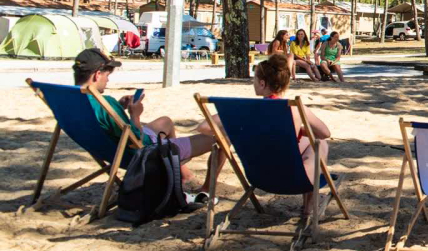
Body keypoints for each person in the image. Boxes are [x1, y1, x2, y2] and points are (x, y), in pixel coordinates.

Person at [199, 54, 332, 216]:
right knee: (319, 143)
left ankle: (307, 206)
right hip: (296, 180)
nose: (253, 82)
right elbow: (325, 133)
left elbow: (204, 127)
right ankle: (308, 208)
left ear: (262, 83)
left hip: (259, 178)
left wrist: (237, 129)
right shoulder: (295, 108)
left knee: (311, 142)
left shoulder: (241, 110)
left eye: (254, 79)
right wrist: (300, 130)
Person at [73, 48, 216, 189]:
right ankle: (206, 189)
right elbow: (136, 140)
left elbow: (103, 118)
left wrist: (118, 108)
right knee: (220, 138)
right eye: (107, 75)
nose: (108, 79)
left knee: (165, 121)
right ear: (97, 75)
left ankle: (183, 175)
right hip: (143, 153)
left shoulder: (71, 100)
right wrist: (135, 115)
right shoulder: (105, 103)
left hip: (106, 150)